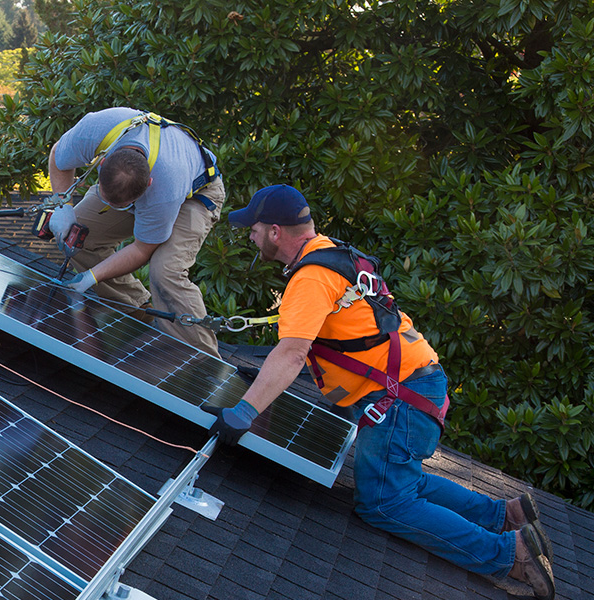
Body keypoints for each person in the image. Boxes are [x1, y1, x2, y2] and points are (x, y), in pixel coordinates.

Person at [209, 184, 556, 599]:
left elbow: (293, 353)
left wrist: (245, 412)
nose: (249, 234)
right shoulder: (335, 253)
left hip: (399, 398)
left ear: (276, 231)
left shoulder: (310, 278)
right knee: (401, 478)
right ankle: (505, 515)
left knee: (384, 503)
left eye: (254, 227)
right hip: (416, 382)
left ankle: (510, 556)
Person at [47, 107, 225, 356]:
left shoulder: (164, 189)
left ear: (147, 186)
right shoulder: (95, 130)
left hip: (196, 195)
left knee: (165, 272)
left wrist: (92, 277)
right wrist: (62, 205)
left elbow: (142, 249)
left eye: (120, 207)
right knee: (79, 235)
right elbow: (58, 156)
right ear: (104, 160)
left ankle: (203, 361)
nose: (111, 209)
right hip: (143, 178)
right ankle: (138, 312)